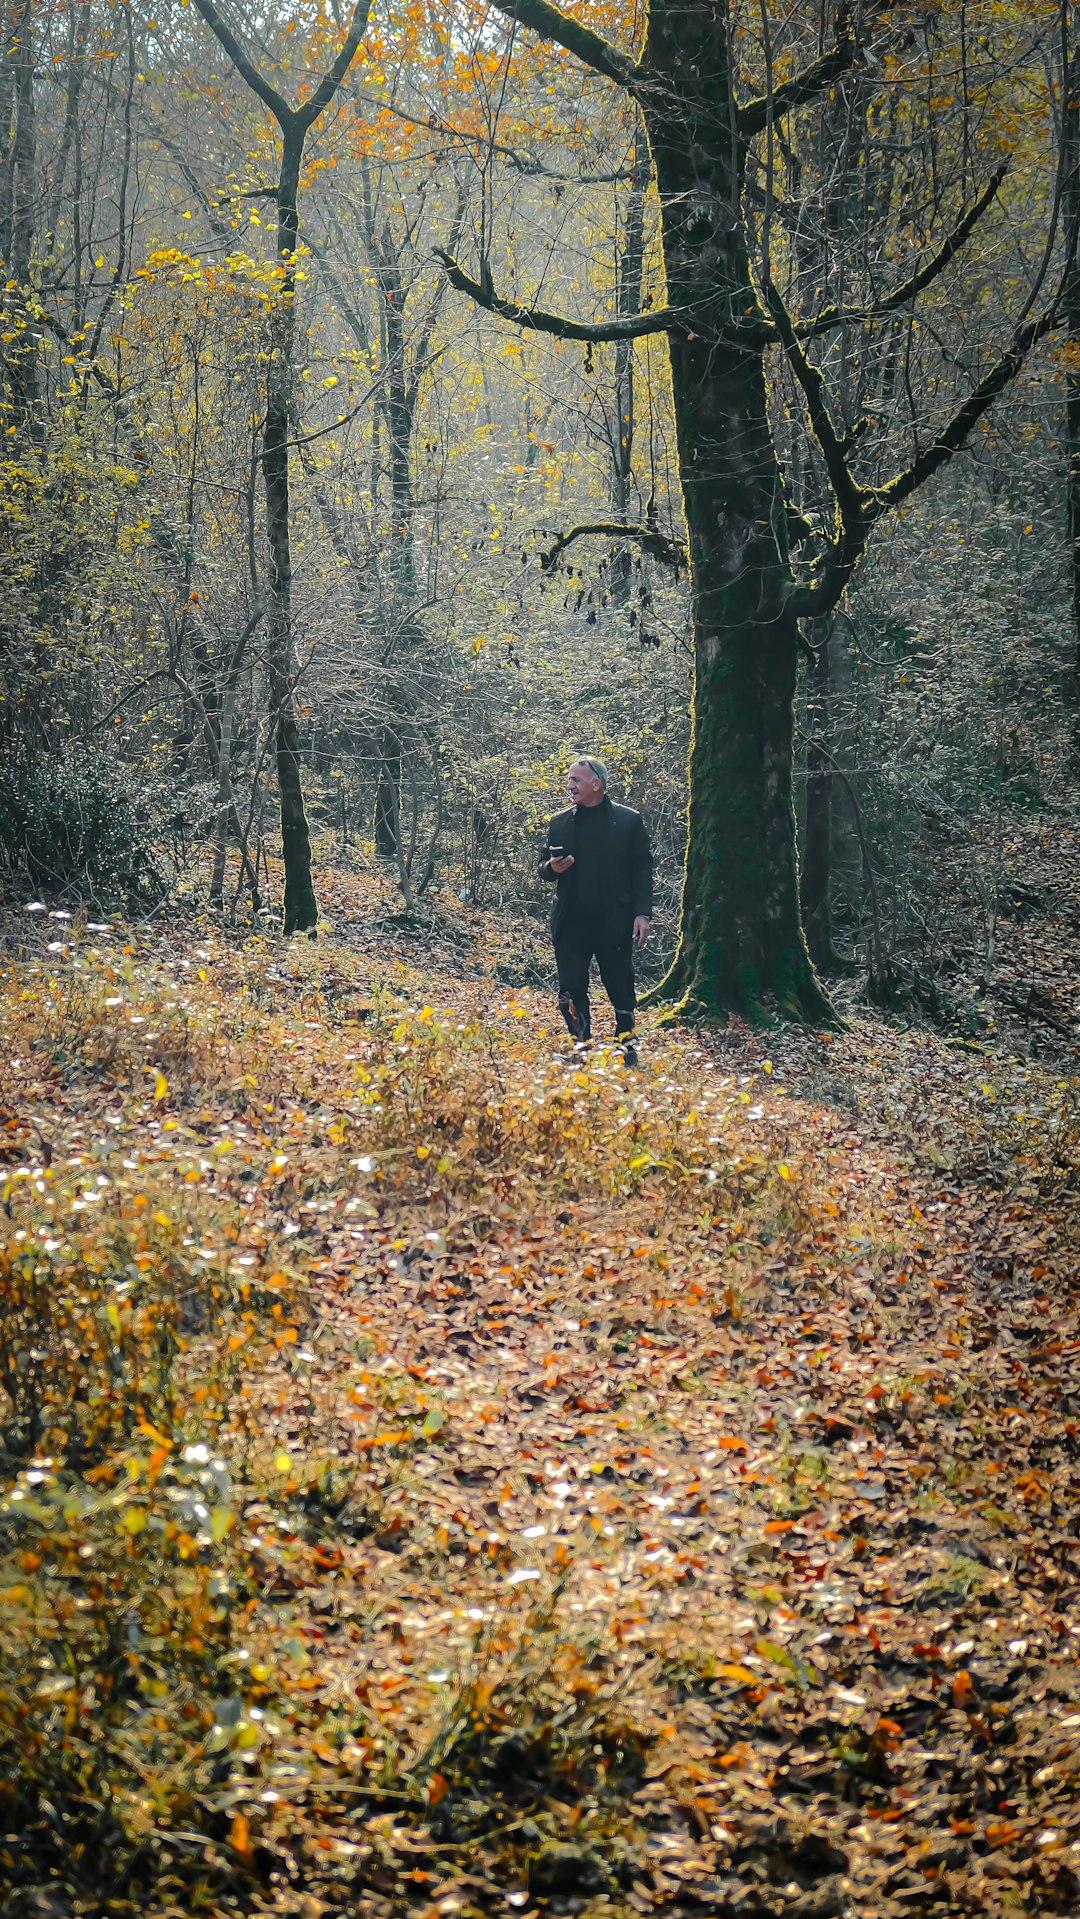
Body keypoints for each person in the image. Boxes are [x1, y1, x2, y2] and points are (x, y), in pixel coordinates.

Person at [539, 755, 653, 1064]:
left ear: (596, 784)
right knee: (571, 988)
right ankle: (580, 1049)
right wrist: (553, 867)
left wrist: (643, 913)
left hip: (615, 921)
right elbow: (542, 866)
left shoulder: (628, 821)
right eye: (569, 778)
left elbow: (643, 868)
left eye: (577, 779)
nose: (570, 784)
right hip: (571, 922)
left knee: (620, 985)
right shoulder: (559, 822)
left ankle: (627, 1048)